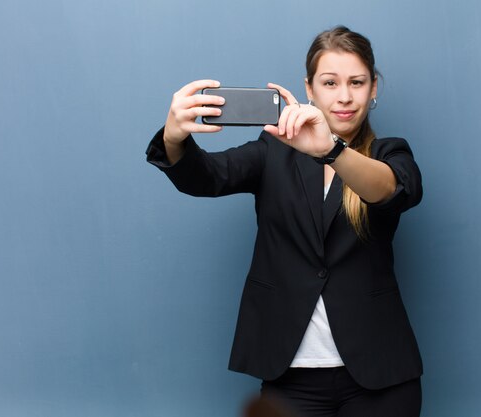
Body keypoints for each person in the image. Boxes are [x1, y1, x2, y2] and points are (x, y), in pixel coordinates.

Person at [146, 26, 423, 417]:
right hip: (290, 379)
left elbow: (390, 190)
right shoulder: (273, 152)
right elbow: (207, 177)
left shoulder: (388, 153)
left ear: (373, 87)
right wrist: (174, 137)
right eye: (330, 83)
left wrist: (331, 150)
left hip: (380, 378)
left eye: (357, 82)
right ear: (309, 88)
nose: (344, 96)